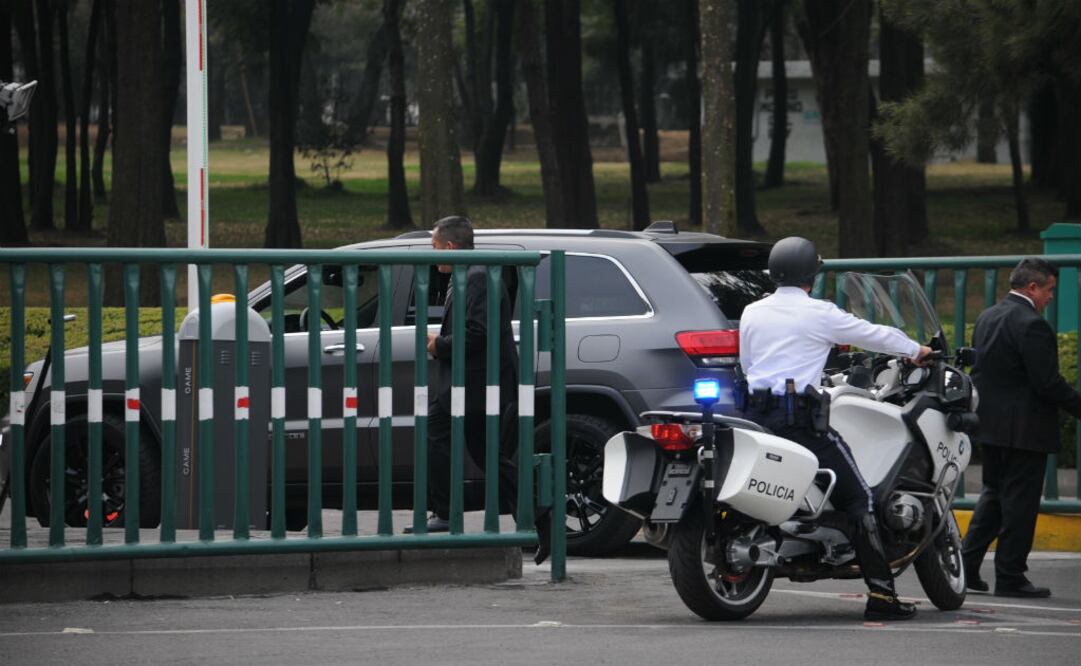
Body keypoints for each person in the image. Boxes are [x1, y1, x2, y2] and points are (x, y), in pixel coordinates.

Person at [739, 236, 933, 621]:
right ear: (812, 273)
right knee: (860, 496)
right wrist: (916, 350)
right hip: (798, 421)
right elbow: (872, 333)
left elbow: (749, 363)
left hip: (755, 417)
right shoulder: (819, 313)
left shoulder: (751, 311)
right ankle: (882, 596)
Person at [409, 216, 550, 564]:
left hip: (478, 384)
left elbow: (476, 333)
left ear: (451, 247)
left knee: (439, 433)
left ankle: (445, 513)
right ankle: (535, 523)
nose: (433, 255)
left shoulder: (476, 278)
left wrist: (437, 346)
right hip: (474, 384)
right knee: (489, 455)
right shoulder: (471, 275)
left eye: (435, 248)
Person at [961, 258, 1081, 598]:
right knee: (1020, 505)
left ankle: (966, 567)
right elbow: (1047, 383)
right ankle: (1011, 576)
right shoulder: (1033, 324)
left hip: (990, 426)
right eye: (1049, 290)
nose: (1051, 297)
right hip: (1026, 430)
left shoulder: (988, 316)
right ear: (1032, 287)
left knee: (993, 497)